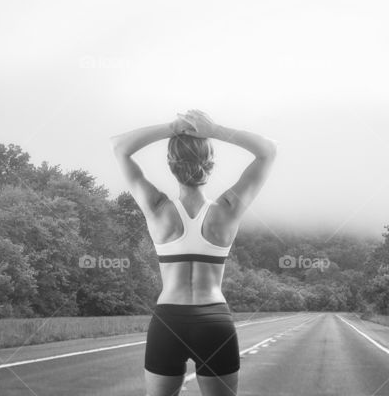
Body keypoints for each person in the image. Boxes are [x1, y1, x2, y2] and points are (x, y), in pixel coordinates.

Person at [110, 110, 278, 396]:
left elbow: (119, 146)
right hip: (214, 322)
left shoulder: (157, 208)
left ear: (171, 165)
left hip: (168, 322)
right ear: (210, 165)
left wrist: (173, 127)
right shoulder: (227, 209)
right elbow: (268, 151)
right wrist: (215, 129)